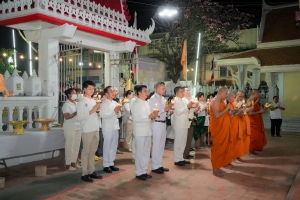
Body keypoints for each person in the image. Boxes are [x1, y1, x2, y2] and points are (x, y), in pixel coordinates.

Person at [131, 85, 158, 180]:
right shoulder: (135, 104)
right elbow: (136, 119)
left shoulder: (146, 103)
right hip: (139, 131)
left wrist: (154, 115)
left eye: (147, 91)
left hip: (147, 130)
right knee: (140, 152)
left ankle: (144, 170)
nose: (147, 93)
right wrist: (149, 116)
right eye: (145, 91)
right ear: (139, 93)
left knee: (146, 152)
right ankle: (138, 172)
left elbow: (149, 116)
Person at [77, 80, 102, 182]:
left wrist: (98, 112)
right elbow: (80, 117)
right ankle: (84, 173)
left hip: (95, 128)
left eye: (93, 89)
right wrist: (93, 110)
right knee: (85, 152)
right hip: (87, 129)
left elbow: (96, 115)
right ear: (85, 89)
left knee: (92, 152)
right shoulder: (81, 102)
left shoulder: (93, 101)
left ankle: (92, 171)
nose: (92, 91)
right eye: (90, 89)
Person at [149, 82, 172, 174]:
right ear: (157, 88)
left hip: (163, 122)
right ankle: (154, 166)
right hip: (156, 123)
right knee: (156, 145)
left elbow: (163, 111)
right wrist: (165, 109)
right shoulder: (152, 99)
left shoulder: (162, 98)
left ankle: (159, 164)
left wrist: (168, 109)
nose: (164, 90)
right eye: (162, 88)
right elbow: (153, 112)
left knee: (162, 145)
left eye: (164, 89)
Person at [209, 87, 233, 177]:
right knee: (217, 147)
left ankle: (218, 166)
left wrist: (231, 111)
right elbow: (217, 115)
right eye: (226, 93)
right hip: (217, 128)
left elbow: (224, 113)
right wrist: (227, 108)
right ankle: (214, 169)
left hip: (223, 127)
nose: (227, 95)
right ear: (220, 92)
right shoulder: (215, 101)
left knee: (222, 147)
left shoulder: (222, 101)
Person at [101, 86, 122, 173]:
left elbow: (119, 115)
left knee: (114, 146)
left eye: (114, 91)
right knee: (107, 146)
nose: (113, 93)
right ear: (106, 94)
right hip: (107, 127)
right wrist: (114, 111)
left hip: (115, 126)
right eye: (111, 91)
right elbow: (104, 115)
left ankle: (111, 163)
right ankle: (106, 165)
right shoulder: (103, 104)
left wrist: (118, 111)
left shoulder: (115, 102)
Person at [62, 88, 81, 171]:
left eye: (75, 93)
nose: (75, 95)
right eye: (73, 93)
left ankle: (74, 162)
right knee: (70, 146)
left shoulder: (76, 103)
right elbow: (66, 116)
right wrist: (76, 112)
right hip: (70, 127)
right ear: (69, 95)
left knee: (76, 145)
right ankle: (68, 164)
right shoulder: (66, 105)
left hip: (78, 126)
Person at [173, 86, 193, 166]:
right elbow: (178, 112)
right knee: (178, 142)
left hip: (185, 123)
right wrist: (187, 107)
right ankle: (177, 159)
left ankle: (181, 158)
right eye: (181, 92)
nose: (183, 93)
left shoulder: (182, 100)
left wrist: (189, 107)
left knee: (183, 142)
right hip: (179, 124)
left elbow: (186, 110)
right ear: (177, 93)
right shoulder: (175, 100)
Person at [230, 90, 251, 164]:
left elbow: (243, 113)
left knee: (239, 141)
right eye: (240, 96)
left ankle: (237, 156)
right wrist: (247, 108)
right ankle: (233, 157)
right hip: (234, 124)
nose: (242, 98)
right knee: (235, 140)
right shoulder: (233, 103)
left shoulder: (241, 103)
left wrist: (246, 109)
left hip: (241, 124)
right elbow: (235, 113)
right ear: (236, 95)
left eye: (243, 96)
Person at [247, 89, 267, 157]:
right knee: (253, 137)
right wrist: (259, 112)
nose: (259, 95)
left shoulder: (255, 101)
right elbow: (249, 113)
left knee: (257, 137)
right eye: (257, 94)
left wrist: (263, 110)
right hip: (252, 123)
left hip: (257, 122)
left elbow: (258, 110)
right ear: (253, 94)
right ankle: (250, 152)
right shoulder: (250, 101)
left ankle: (254, 150)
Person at [182, 86, 197, 159]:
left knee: (189, 137)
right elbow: (188, 110)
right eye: (187, 90)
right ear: (183, 92)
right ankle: (184, 153)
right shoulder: (183, 100)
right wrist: (194, 108)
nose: (189, 92)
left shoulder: (189, 99)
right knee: (186, 138)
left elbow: (192, 109)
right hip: (187, 120)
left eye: (189, 90)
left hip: (191, 119)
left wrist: (196, 108)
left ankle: (187, 152)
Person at [112, 86, 123, 154]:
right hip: (113, 119)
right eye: (115, 91)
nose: (116, 92)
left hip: (119, 118)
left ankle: (116, 148)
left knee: (118, 134)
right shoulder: (112, 100)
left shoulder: (118, 100)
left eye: (117, 91)